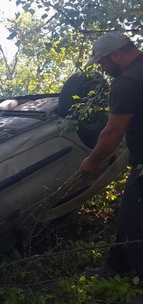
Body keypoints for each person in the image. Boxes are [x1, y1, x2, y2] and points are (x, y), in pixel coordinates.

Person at [79, 31, 143, 278]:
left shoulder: (127, 82)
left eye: (103, 62)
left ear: (116, 55)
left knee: (133, 223)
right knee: (130, 212)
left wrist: (92, 160)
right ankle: (118, 266)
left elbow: (113, 133)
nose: (103, 69)